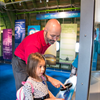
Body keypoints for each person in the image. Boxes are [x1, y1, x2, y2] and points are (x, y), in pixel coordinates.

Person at [12, 19, 65, 91]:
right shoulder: (33, 45)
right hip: (20, 62)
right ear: (45, 30)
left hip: (29, 59)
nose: (55, 39)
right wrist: (51, 79)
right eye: (52, 36)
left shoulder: (48, 38)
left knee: (36, 83)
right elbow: (33, 70)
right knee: (24, 90)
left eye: (58, 36)